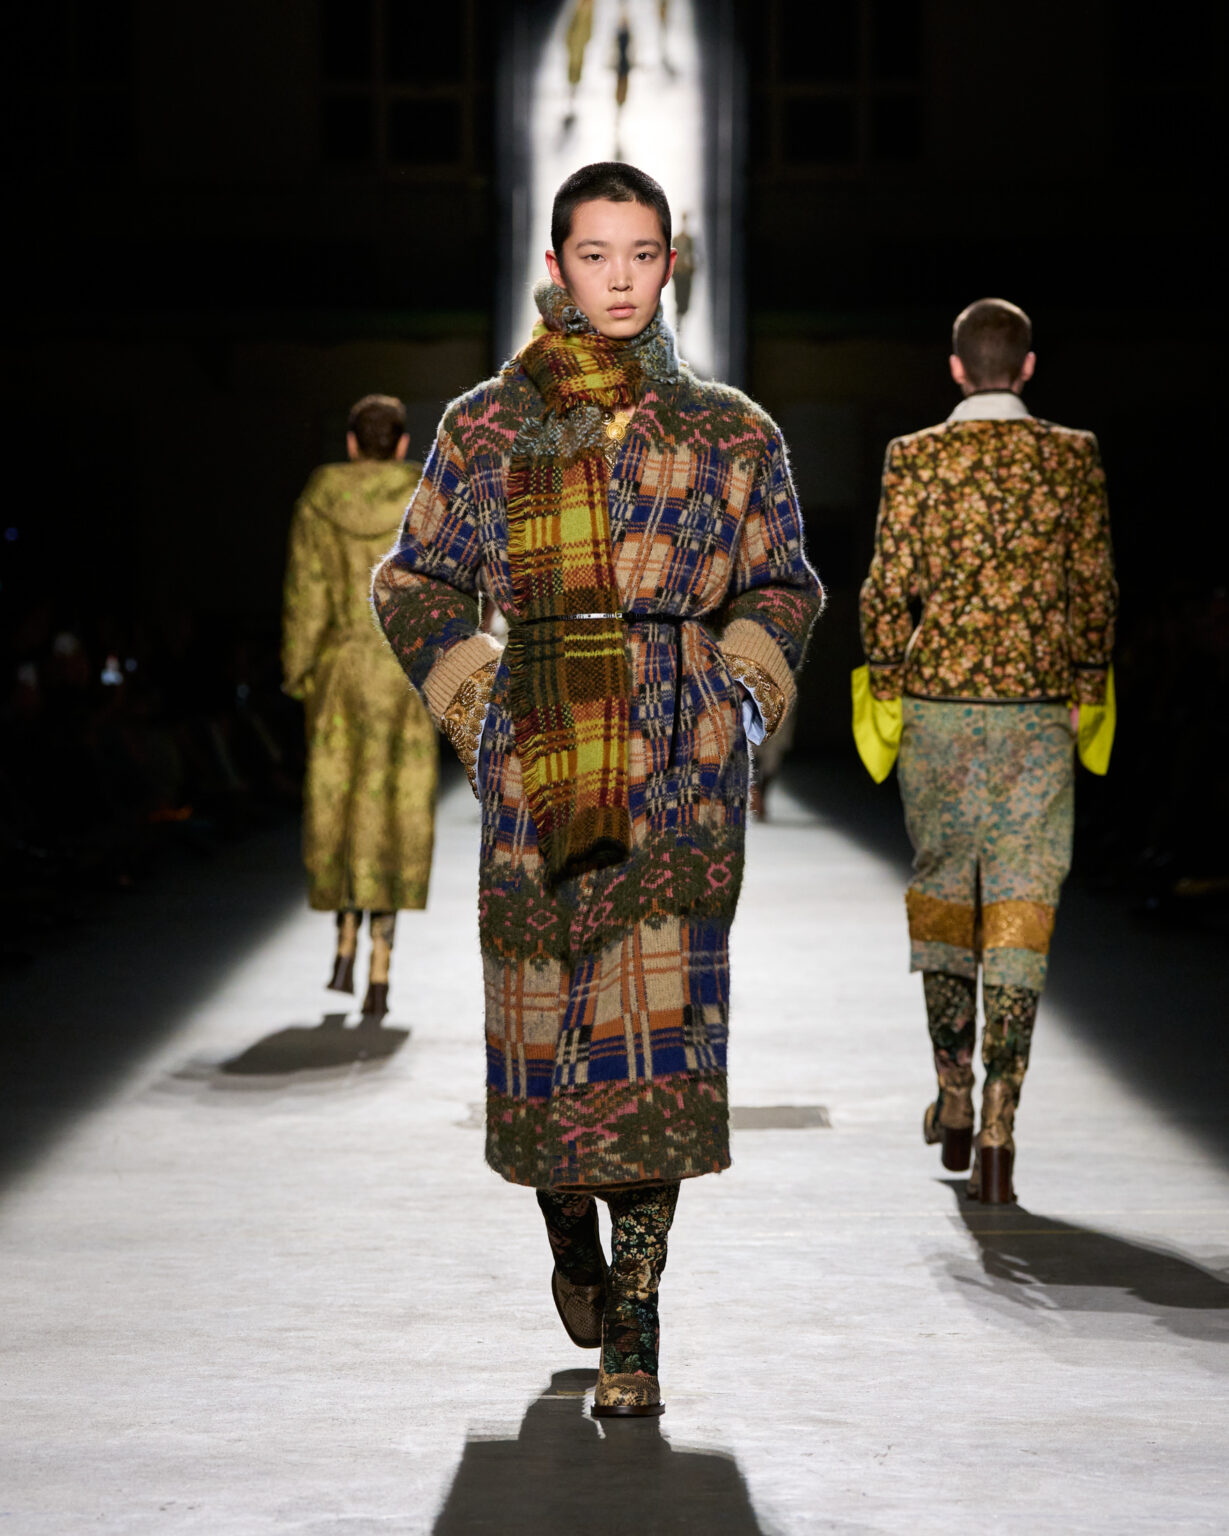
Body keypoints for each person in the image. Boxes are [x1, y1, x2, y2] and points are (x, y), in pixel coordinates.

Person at [373, 163, 822, 1415]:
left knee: (655, 1038)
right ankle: (569, 1234)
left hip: (679, 759)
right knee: (544, 1036)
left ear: (669, 263)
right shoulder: (486, 425)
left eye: (641, 254)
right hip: (536, 754)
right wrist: (474, 701)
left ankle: (635, 1318)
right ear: (557, 264)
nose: (618, 279)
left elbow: (782, 582)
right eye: (594, 254)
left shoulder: (729, 430)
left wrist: (737, 689)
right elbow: (411, 579)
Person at [857, 298, 1118, 1203]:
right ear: (1028, 367)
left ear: (957, 369)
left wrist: (884, 674)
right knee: (1019, 909)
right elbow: (1094, 586)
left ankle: (954, 1093)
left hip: (936, 711)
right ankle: (1003, 1123)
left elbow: (886, 586)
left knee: (944, 900)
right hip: (1037, 713)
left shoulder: (915, 456)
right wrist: (1087, 677)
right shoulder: (1071, 456)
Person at [282, 395, 437, 1018]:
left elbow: (306, 595)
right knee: (394, 814)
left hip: (341, 674)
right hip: (402, 673)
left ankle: (343, 943)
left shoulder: (320, 499)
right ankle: (380, 968)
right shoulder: (427, 498)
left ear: (351, 443)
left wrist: (300, 673)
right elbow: (447, 592)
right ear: (400, 444)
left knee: (341, 806)